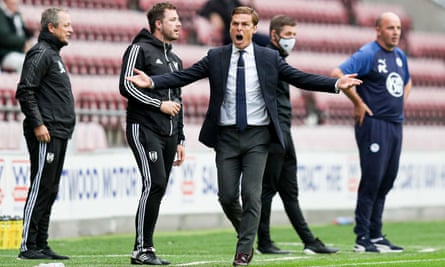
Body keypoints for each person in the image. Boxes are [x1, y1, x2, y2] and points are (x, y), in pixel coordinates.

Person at [125, 6, 362, 266]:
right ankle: (248, 233)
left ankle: (244, 249)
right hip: (226, 137)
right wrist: (154, 83)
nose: (238, 28)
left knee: (251, 194)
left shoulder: (268, 57)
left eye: (244, 24)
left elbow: (300, 78)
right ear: (231, 28)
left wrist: (335, 84)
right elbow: (185, 76)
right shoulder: (216, 56)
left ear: (253, 28)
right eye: (235, 24)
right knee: (227, 196)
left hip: (257, 138)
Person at [256, 15, 338, 256]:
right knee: (268, 189)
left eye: (294, 35)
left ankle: (309, 241)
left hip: (285, 133)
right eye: (288, 34)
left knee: (289, 191)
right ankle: (263, 242)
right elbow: (303, 79)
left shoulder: (277, 58)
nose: (292, 39)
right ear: (274, 36)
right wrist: (334, 84)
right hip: (274, 133)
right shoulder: (270, 59)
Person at [330, 12, 411, 253]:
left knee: (387, 180)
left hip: (395, 124)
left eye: (398, 27)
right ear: (378, 30)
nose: (396, 32)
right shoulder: (368, 53)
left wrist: (398, 103)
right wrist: (356, 102)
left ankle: (376, 235)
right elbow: (337, 73)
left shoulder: (400, 56)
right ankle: (362, 237)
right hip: (374, 124)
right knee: (372, 179)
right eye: (390, 28)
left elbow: (407, 82)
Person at [119, 2, 185, 265]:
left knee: (158, 186)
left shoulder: (176, 59)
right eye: (173, 19)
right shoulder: (138, 49)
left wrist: (180, 138)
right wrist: (158, 104)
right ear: (158, 23)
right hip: (143, 126)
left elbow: (179, 99)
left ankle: (146, 247)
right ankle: (142, 249)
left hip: (169, 133)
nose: (179, 24)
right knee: (154, 183)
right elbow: (126, 86)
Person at [15, 7, 74, 260]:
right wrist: (38, 124)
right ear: (51, 28)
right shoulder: (40, 53)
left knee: (50, 188)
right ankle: (28, 245)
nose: (71, 29)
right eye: (66, 25)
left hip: (58, 131)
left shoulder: (53, 55)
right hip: (46, 132)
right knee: (40, 186)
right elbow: (25, 90)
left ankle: (41, 243)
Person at [197, 0, 268, 46]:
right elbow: (204, 14)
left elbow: (249, 13)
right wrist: (212, 15)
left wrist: (251, 3)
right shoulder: (213, 3)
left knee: (265, 40)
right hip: (229, 34)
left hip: (242, 32)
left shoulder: (233, 2)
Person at [0, 0, 33, 74]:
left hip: (20, 51)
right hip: (6, 53)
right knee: (26, 61)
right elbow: (5, 38)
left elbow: (25, 33)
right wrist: (24, 42)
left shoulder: (17, 15)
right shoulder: (1, 14)